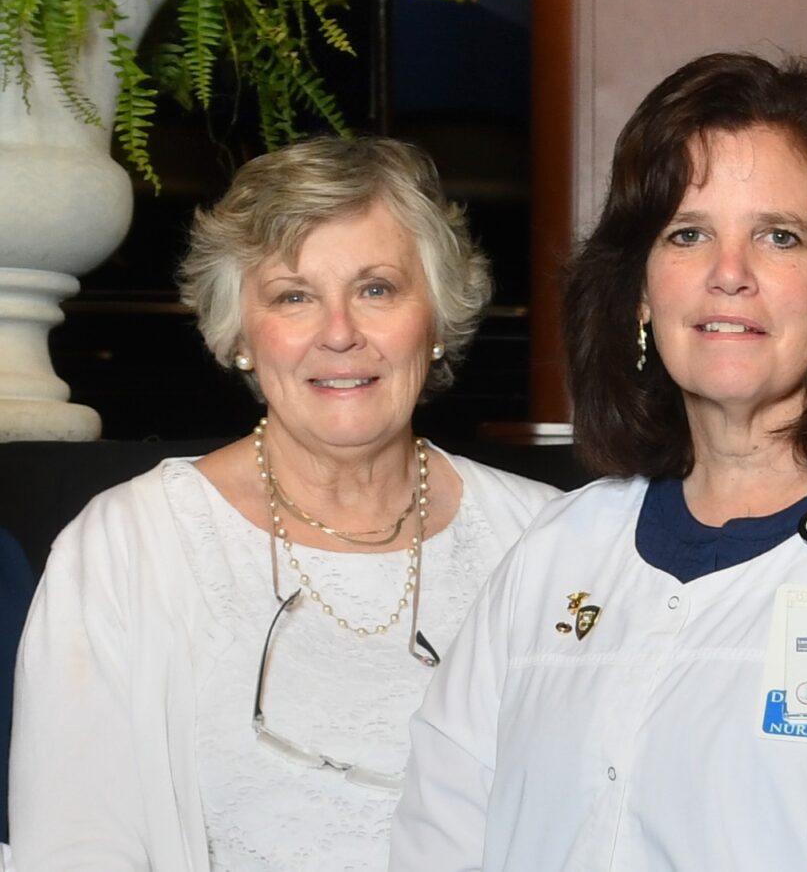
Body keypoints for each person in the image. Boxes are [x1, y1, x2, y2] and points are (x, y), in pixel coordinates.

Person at [390, 53, 807, 869]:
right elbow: (436, 837)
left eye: (779, 236)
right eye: (688, 234)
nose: (730, 275)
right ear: (644, 293)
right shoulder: (560, 551)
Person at [8, 136, 559, 871]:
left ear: (436, 318)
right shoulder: (127, 548)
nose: (338, 333)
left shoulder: (548, 540)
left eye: (376, 289)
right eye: (294, 296)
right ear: (240, 333)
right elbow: (76, 850)